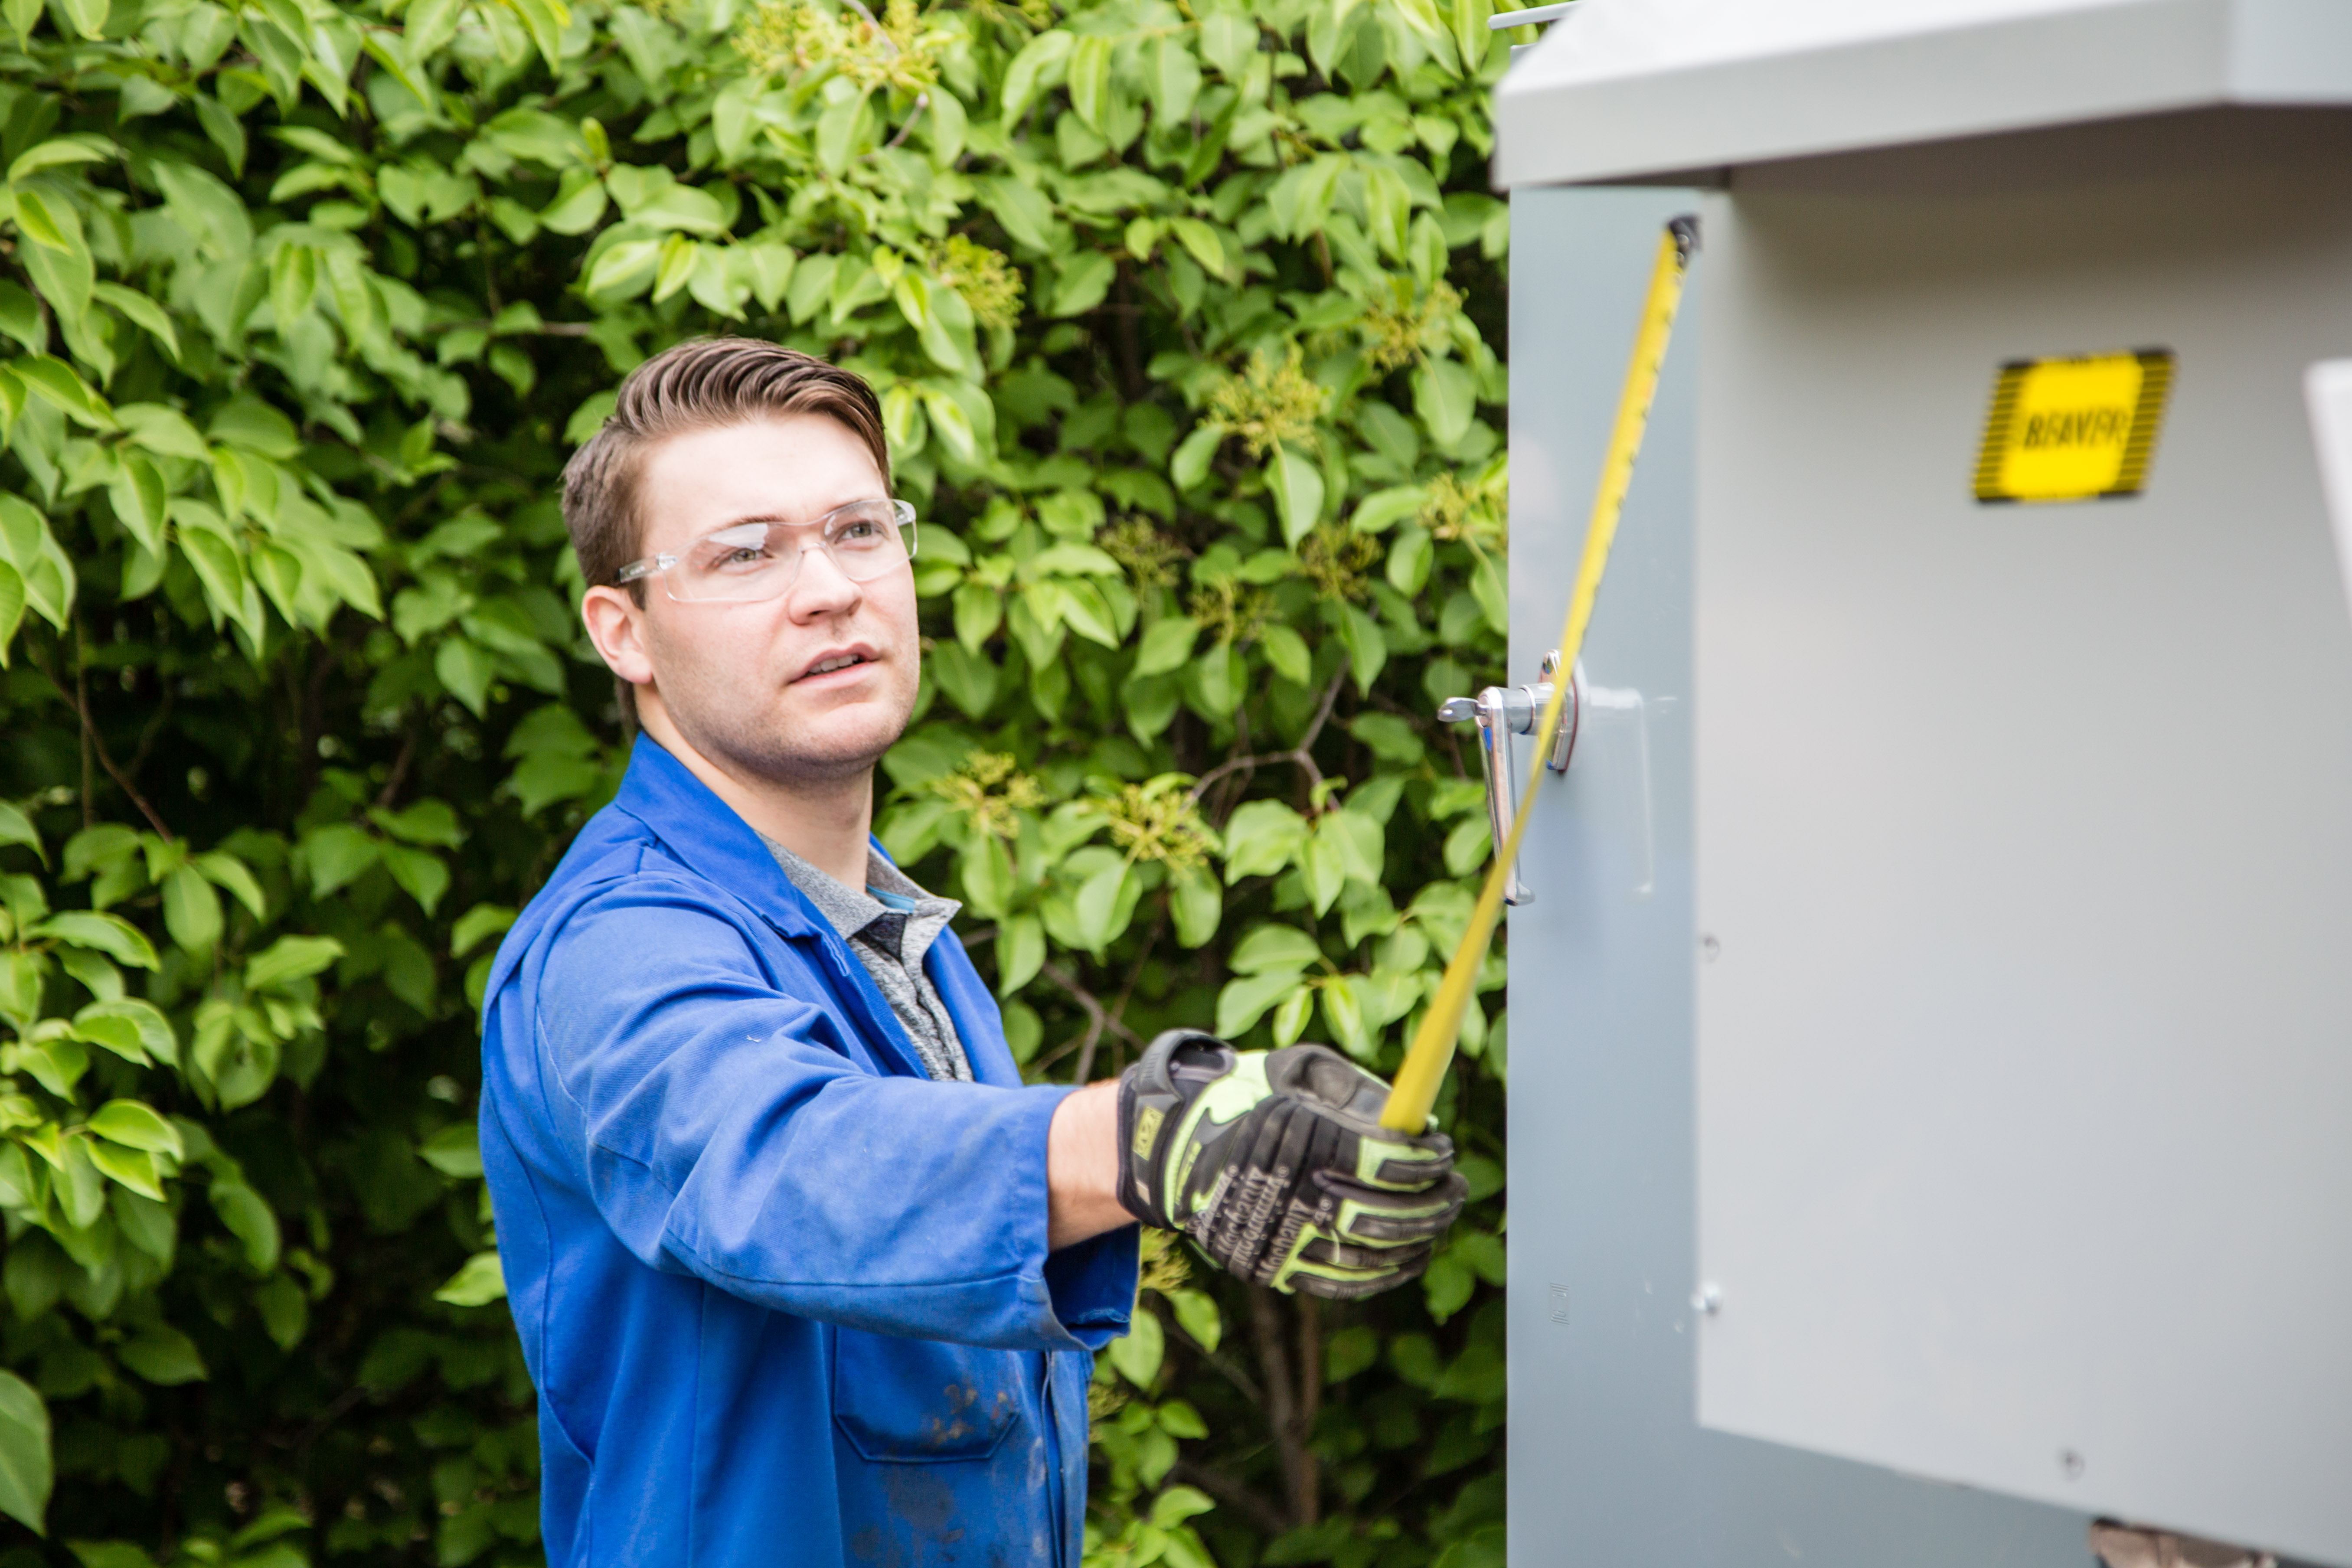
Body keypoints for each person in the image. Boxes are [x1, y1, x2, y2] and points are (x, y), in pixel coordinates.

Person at [477, 338, 1467, 1566]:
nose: (829, 589)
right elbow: (782, 1161)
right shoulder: (618, 947)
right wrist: (1153, 1135)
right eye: (747, 554)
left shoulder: (903, 947)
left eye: (856, 530)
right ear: (622, 632)